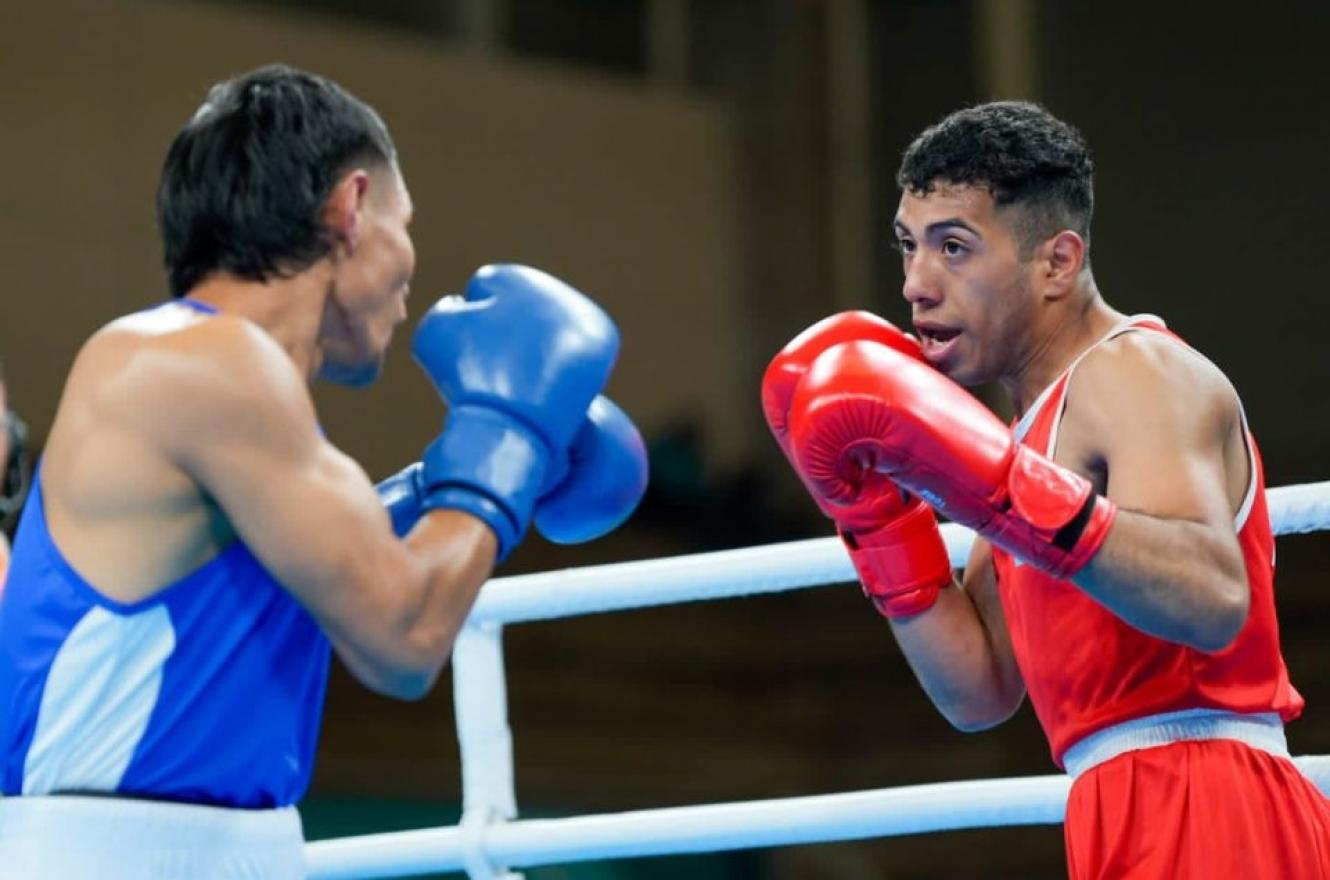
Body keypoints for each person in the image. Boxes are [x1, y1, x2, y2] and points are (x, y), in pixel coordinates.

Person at [0, 64, 648, 879]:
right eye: (404, 222)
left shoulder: (212, 380)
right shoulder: (202, 364)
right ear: (351, 206)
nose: (411, 276)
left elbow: (341, 574)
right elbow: (404, 638)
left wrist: (433, 493)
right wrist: (507, 438)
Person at [763, 101, 1330, 878]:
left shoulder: (1136, 376)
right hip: (1114, 804)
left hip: (1211, 798)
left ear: (1057, 262)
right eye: (908, 247)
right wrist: (876, 514)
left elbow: (1209, 598)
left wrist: (1001, 493)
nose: (917, 285)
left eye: (953, 247)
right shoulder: (1024, 437)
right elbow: (979, 689)